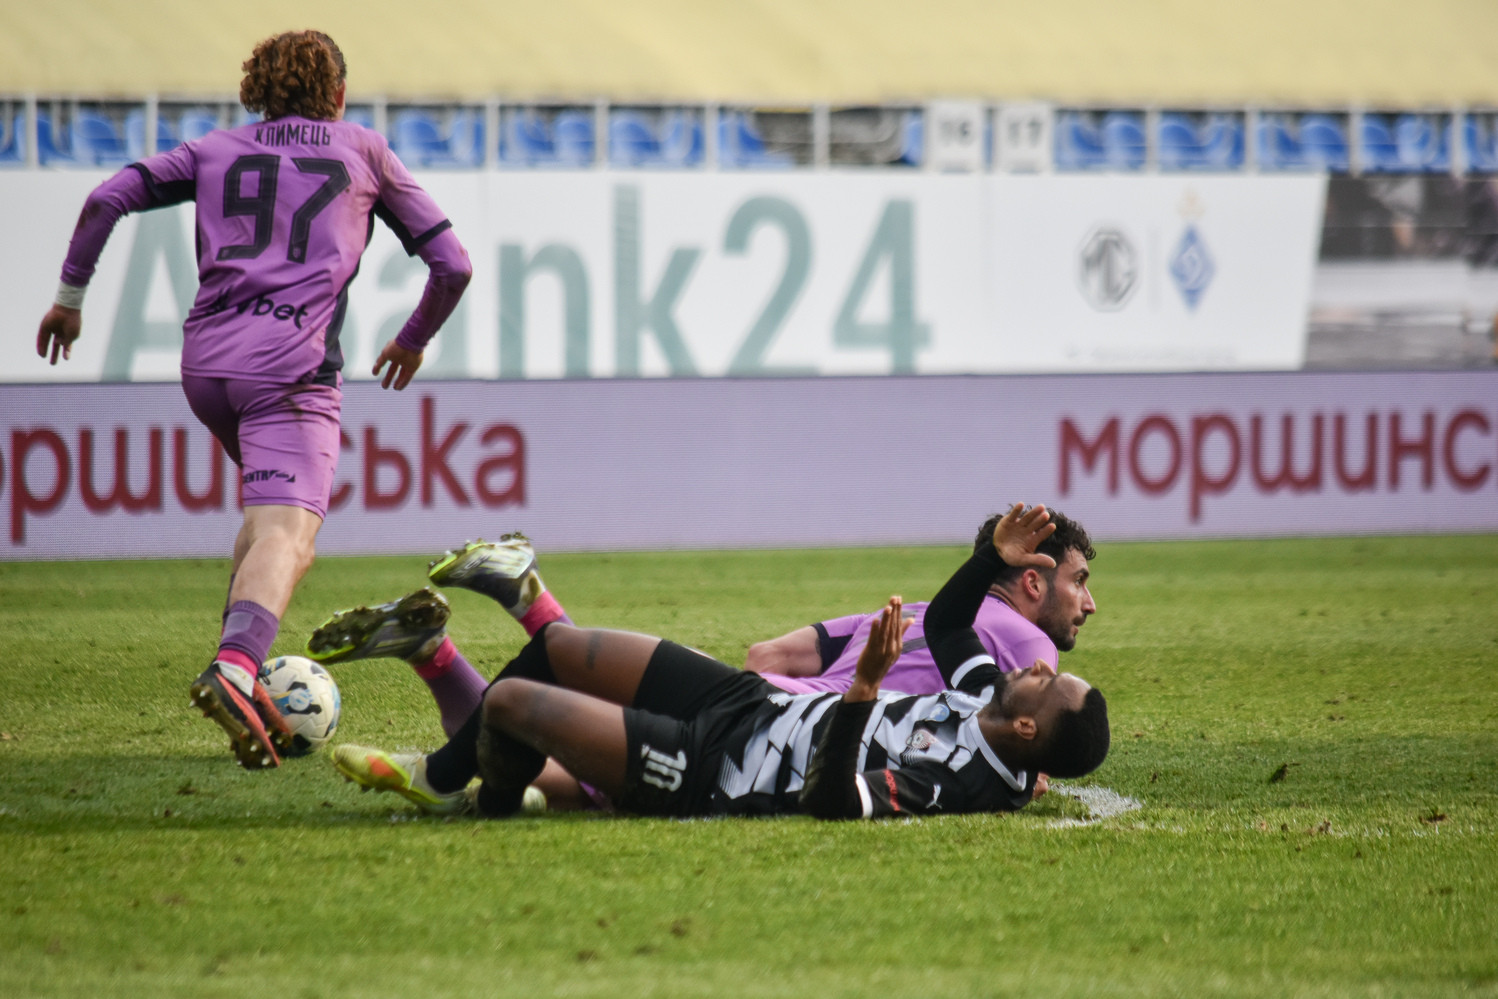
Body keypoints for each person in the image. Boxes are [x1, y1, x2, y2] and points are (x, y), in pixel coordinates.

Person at [35, 30, 472, 769]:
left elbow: (107, 196)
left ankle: (234, 666)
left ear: (256, 90)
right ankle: (237, 670)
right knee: (289, 537)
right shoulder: (364, 151)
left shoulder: (213, 150)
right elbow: (452, 264)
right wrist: (412, 338)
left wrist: (69, 300)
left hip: (206, 368)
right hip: (290, 372)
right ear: (339, 94)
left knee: (262, 520)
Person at [330, 504, 1110, 820]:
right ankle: (447, 776)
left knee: (510, 709)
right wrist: (990, 557)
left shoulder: (968, 779)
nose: (1039, 672)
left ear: (1027, 730)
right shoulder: (986, 697)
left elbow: (834, 801)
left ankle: (481, 804)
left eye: (1047, 687)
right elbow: (946, 623)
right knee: (561, 647)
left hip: (717, 769)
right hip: (752, 703)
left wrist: (863, 691)